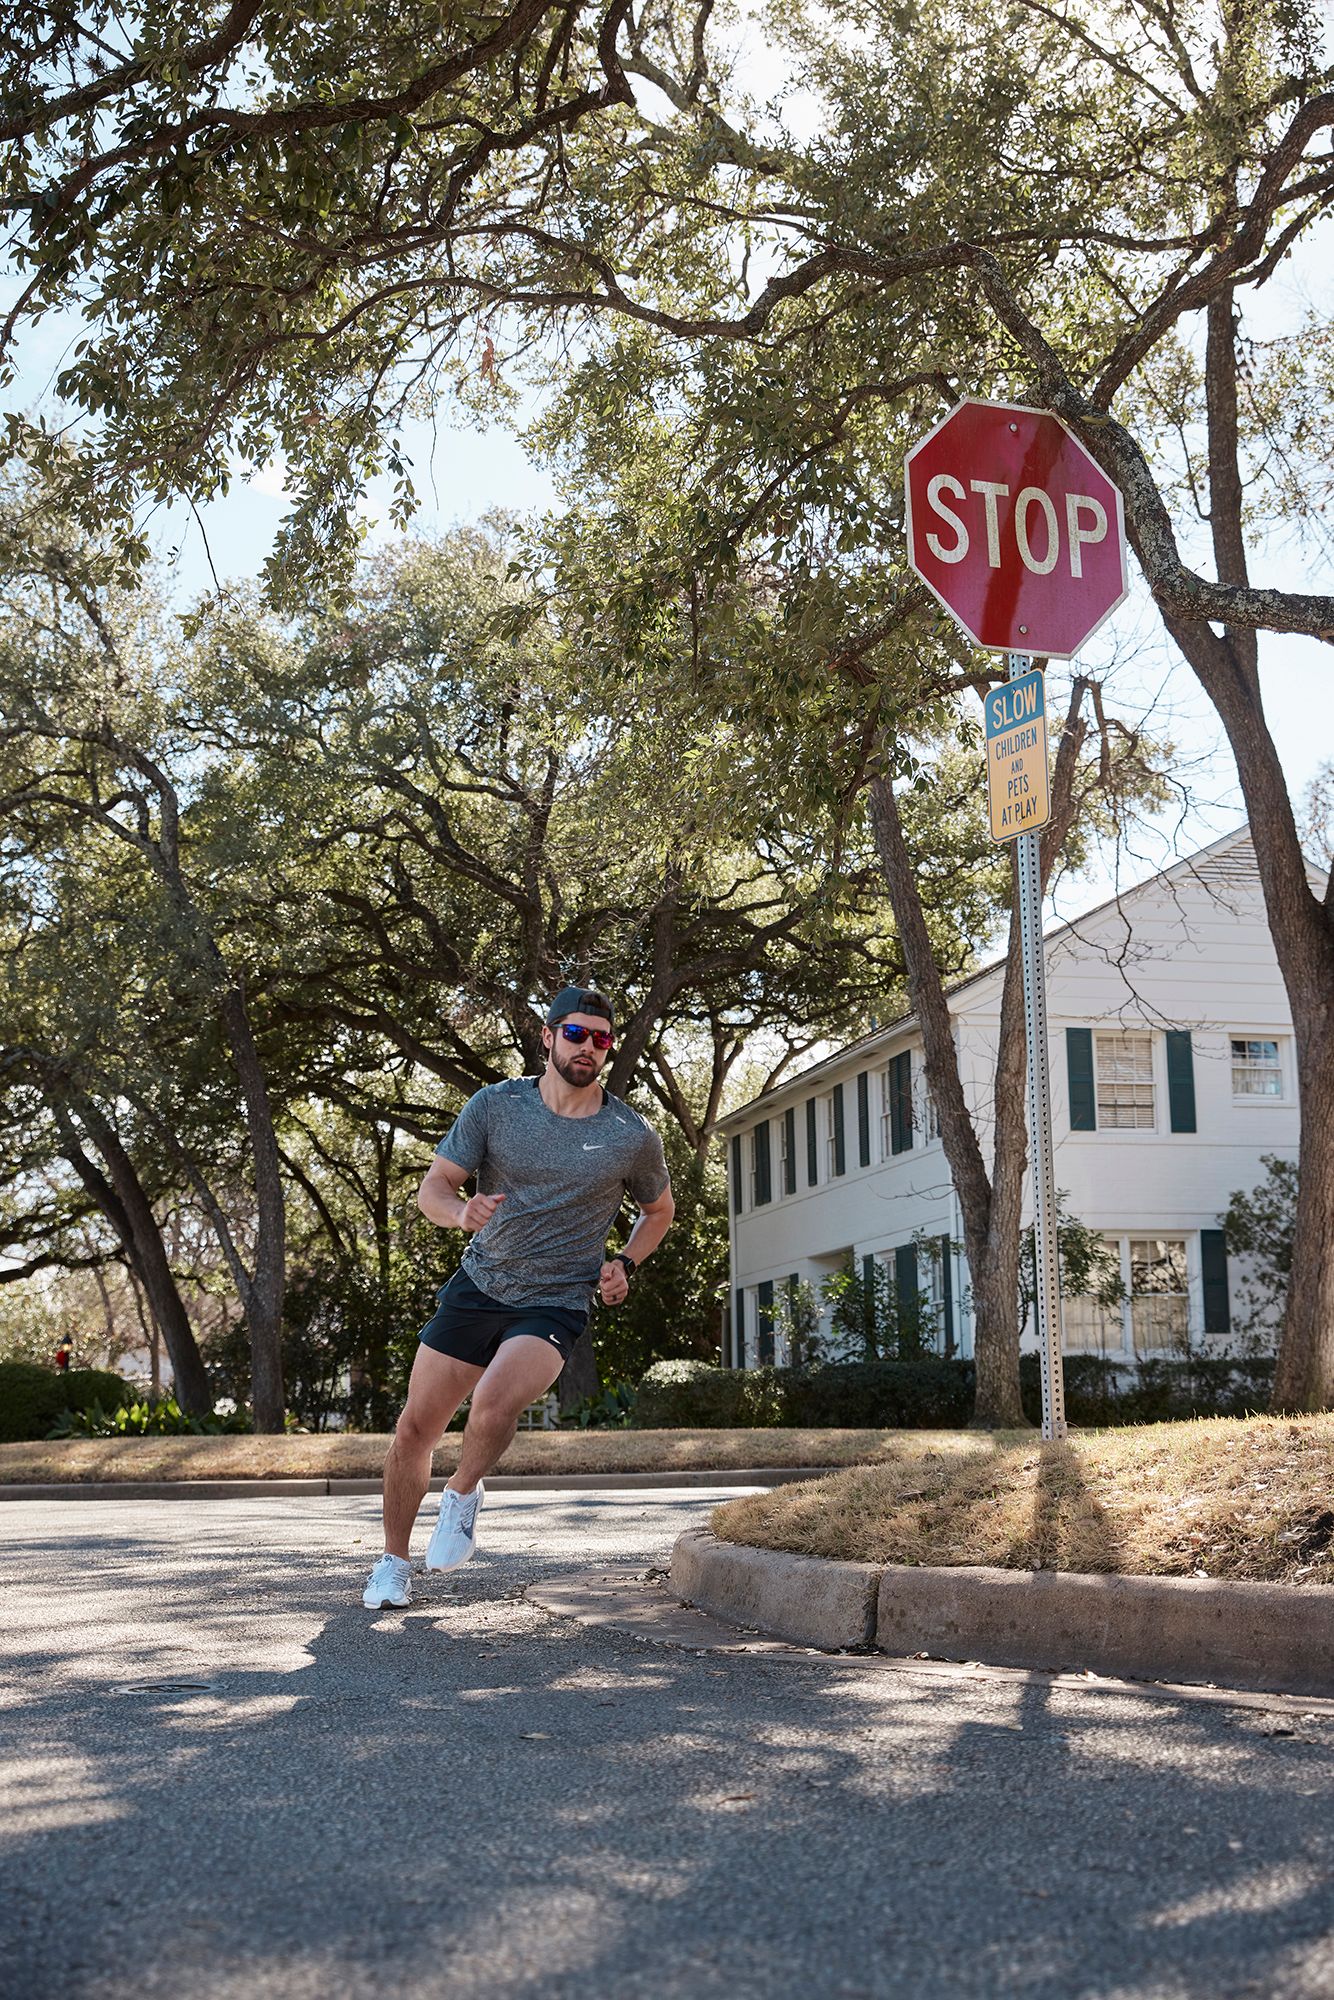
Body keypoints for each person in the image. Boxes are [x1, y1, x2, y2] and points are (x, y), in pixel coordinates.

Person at [363, 987, 675, 1609]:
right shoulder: (495, 1106)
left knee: (493, 1399)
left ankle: (463, 1492)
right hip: (480, 1284)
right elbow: (434, 1190)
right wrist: (460, 1213)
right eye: (576, 1034)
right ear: (549, 1036)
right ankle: (393, 1563)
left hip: (557, 1298)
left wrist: (623, 1262)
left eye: (602, 1038)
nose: (589, 1047)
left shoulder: (630, 1133)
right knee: (414, 1429)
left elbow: (659, 1211)